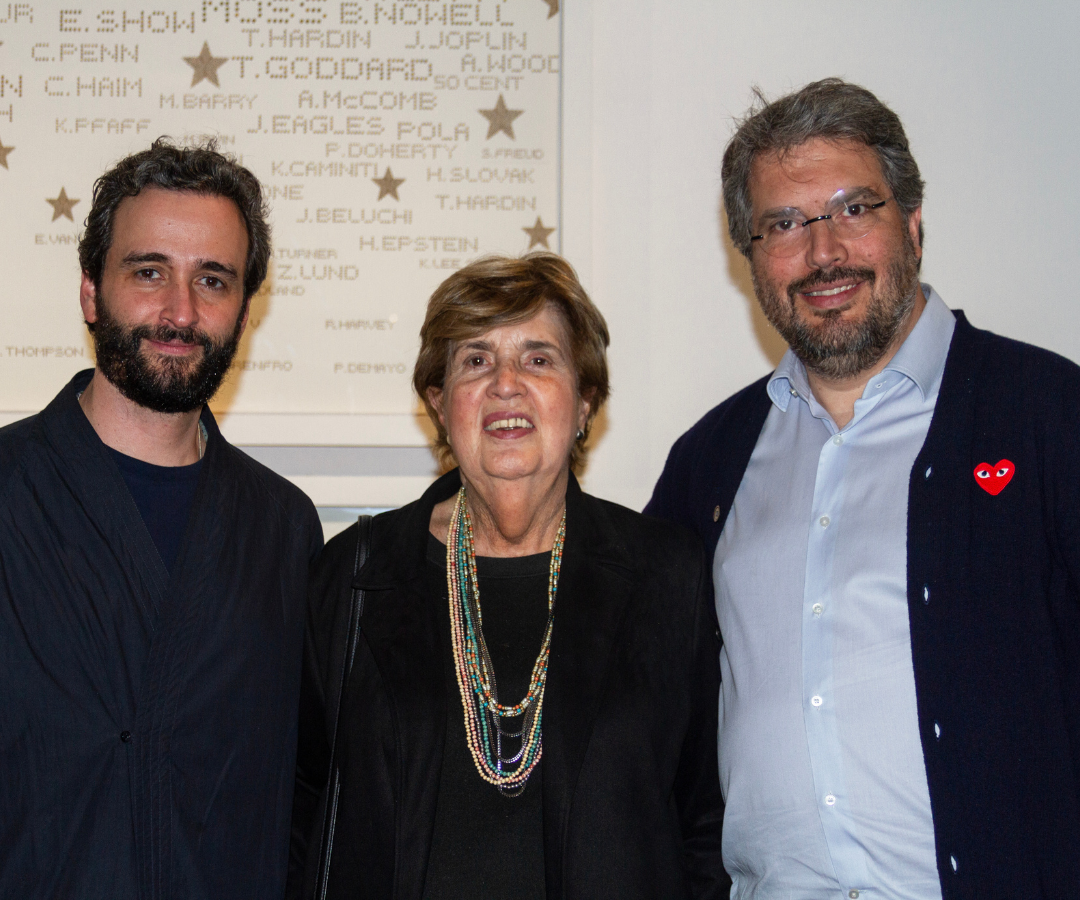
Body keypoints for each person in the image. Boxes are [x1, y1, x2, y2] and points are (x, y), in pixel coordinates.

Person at [645, 77, 1080, 898]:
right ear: (750, 258)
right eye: (784, 224)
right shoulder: (707, 463)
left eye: (853, 209)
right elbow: (644, 716)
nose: (823, 253)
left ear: (911, 222)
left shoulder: (1049, 415)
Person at [289, 253, 725, 899]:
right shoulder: (353, 575)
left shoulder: (668, 575)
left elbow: (707, 822)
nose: (505, 384)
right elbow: (302, 809)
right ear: (440, 404)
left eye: (538, 359)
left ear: (585, 401)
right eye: (476, 360)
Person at [0, 139, 322, 899]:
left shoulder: (283, 529)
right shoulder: (8, 492)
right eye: (149, 272)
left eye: (212, 280)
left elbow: (306, 792)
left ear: (244, 310)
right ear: (90, 293)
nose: (180, 312)